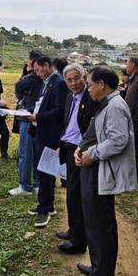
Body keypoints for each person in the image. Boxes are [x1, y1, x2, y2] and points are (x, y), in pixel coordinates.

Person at [72, 66, 136, 276]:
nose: (87, 88)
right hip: (95, 169)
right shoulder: (106, 103)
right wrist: (81, 149)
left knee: (100, 226)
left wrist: (93, 153)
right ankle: (101, 271)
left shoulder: (116, 106)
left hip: (101, 171)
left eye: (89, 84)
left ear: (102, 84)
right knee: (100, 224)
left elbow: (118, 140)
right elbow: (93, 133)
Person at [56, 63, 99, 254]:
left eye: (76, 78)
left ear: (84, 77)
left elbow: (94, 130)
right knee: (71, 194)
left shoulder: (91, 99)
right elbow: (68, 123)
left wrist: (85, 149)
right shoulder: (70, 97)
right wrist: (61, 143)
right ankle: (74, 231)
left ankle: (79, 241)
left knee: (77, 195)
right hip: (67, 147)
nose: (73, 83)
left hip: (80, 151)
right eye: (69, 80)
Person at [25, 55, 69, 227]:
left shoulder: (58, 83)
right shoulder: (47, 82)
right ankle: (46, 204)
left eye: (38, 70)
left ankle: (45, 210)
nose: (37, 74)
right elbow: (42, 105)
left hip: (51, 134)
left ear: (46, 65)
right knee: (44, 171)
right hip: (42, 131)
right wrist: (28, 112)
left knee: (45, 171)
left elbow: (60, 110)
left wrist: (39, 117)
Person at [10, 51, 43, 195]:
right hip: (38, 118)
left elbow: (18, 87)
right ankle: (37, 184)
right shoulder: (45, 78)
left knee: (24, 153)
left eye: (28, 60)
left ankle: (25, 186)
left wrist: (29, 72)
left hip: (28, 118)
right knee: (36, 153)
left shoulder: (33, 75)